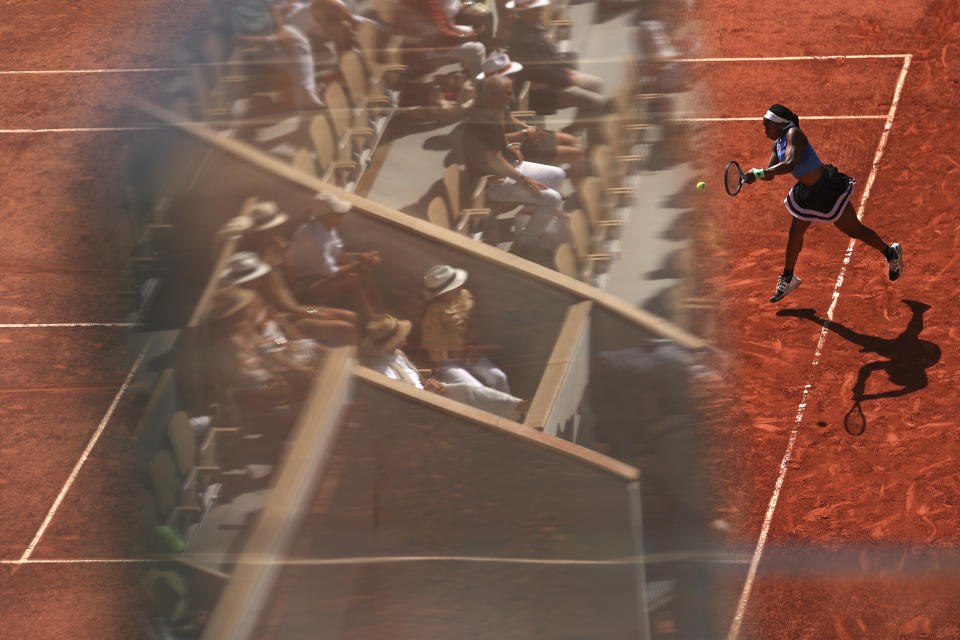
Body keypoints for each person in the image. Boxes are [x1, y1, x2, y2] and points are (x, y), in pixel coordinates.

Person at [744, 104, 903, 303]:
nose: (765, 130)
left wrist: (760, 173)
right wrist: (755, 175)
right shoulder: (777, 143)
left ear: (780, 124)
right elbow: (771, 174)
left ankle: (890, 252)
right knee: (795, 233)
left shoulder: (794, 134)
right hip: (807, 192)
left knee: (854, 230)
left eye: (768, 126)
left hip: (827, 189)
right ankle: (788, 277)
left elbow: (790, 164)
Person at [463, 74, 570, 253]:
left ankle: (530, 216)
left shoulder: (495, 108)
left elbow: (496, 141)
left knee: (558, 174)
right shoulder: (483, 118)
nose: (512, 98)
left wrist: (509, 146)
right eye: (508, 93)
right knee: (553, 198)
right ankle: (524, 245)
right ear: (493, 94)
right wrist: (524, 179)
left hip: (509, 167)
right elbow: (493, 159)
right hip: (490, 182)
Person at [361, 314, 527, 419]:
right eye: (401, 335)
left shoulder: (396, 353)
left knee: (468, 390)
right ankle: (516, 409)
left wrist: (427, 381)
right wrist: (427, 392)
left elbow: (412, 377)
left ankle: (515, 409)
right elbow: (399, 403)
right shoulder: (382, 369)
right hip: (420, 404)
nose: (405, 336)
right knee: (469, 391)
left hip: (428, 391)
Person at [476, 52, 588, 183]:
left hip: (525, 136)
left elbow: (509, 116)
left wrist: (526, 127)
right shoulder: (484, 109)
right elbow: (496, 140)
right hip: (518, 147)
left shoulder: (501, 93)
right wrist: (523, 134)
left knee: (571, 140)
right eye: (509, 74)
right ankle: (582, 193)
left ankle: (566, 174)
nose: (514, 77)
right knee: (577, 154)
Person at [505, 0, 607, 128]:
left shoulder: (535, 25)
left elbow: (552, 52)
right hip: (541, 90)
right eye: (537, 9)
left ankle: (578, 131)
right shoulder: (521, 36)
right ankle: (576, 133)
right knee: (595, 101)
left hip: (557, 76)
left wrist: (567, 68)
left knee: (597, 84)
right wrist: (567, 78)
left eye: (541, 8)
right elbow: (538, 72)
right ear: (524, 12)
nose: (542, 11)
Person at [285, 191, 383, 320]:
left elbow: (339, 257)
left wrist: (361, 256)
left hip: (319, 277)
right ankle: (371, 318)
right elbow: (333, 272)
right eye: (339, 214)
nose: (343, 216)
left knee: (363, 270)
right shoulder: (315, 238)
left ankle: (380, 310)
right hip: (305, 286)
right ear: (328, 216)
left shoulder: (327, 228)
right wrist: (360, 263)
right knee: (352, 279)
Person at [229, 0, 327, 110]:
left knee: (296, 38)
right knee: (296, 61)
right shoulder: (234, 11)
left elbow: (273, 10)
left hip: (275, 38)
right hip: (257, 49)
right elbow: (239, 39)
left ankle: (307, 93)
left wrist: (280, 30)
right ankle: (306, 94)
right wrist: (269, 39)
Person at [397, 0, 486, 77]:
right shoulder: (429, 2)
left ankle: (464, 74)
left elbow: (444, 23)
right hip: (424, 49)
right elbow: (443, 32)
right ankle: (481, 89)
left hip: (418, 40)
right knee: (478, 48)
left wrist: (466, 34)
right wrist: (467, 37)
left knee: (468, 31)